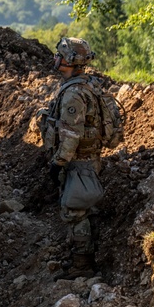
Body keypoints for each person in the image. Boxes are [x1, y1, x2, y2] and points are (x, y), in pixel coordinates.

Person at [40, 37, 106, 280]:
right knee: (83, 209)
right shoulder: (87, 84)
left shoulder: (73, 94)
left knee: (75, 210)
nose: (55, 59)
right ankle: (84, 255)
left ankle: (83, 266)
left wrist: (58, 163)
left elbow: (70, 134)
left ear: (69, 61)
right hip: (87, 158)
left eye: (59, 55)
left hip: (78, 160)